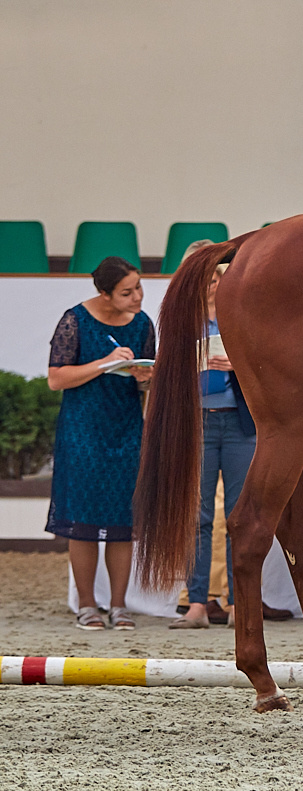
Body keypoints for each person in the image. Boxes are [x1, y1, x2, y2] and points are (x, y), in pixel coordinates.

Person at [47, 256, 154, 631]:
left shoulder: (142, 324)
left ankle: (120, 605)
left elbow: (146, 383)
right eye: (127, 292)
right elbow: (56, 379)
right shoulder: (74, 320)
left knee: (123, 520)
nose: (138, 296)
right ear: (104, 294)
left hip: (125, 428)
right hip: (82, 429)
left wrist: (144, 377)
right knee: (83, 520)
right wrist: (105, 362)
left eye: (139, 287)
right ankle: (88, 605)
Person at [171, 256, 260, 629]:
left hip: (239, 424)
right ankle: (197, 604)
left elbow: (265, 367)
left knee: (240, 517)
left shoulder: (243, 319)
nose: (214, 285)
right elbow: (168, 368)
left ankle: (239, 605)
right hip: (201, 424)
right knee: (199, 518)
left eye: (219, 279)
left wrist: (237, 364)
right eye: (209, 280)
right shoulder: (184, 324)